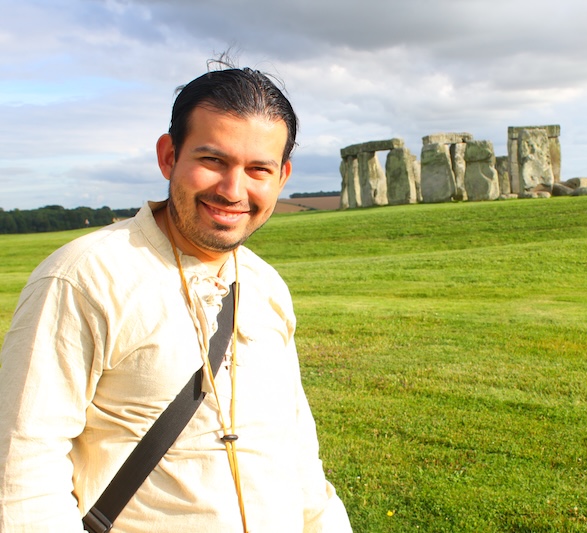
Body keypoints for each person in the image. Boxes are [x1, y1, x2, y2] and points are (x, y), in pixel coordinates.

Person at [0, 65, 352, 532]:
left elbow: (299, 454)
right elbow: (22, 473)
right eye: (213, 160)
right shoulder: (82, 278)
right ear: (169, 156)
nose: (233, 190)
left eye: (258, 169)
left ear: (281, 176)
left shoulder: (267, 286)